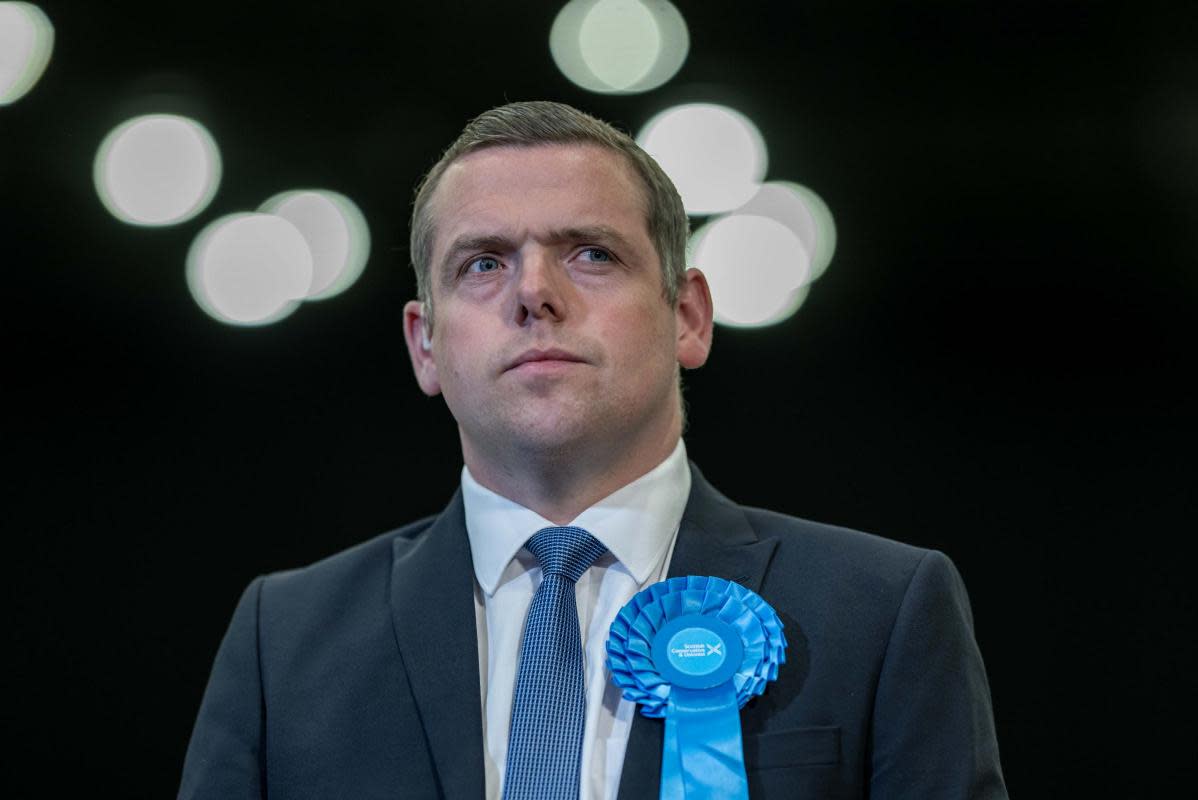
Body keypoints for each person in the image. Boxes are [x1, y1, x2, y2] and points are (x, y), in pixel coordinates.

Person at [178, 101, 1007, 799]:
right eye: (483, 263)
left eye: (592, 253)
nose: (535, 292)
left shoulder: (883, 613)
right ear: (424, 345)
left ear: (686, 315)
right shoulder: (280, 643)